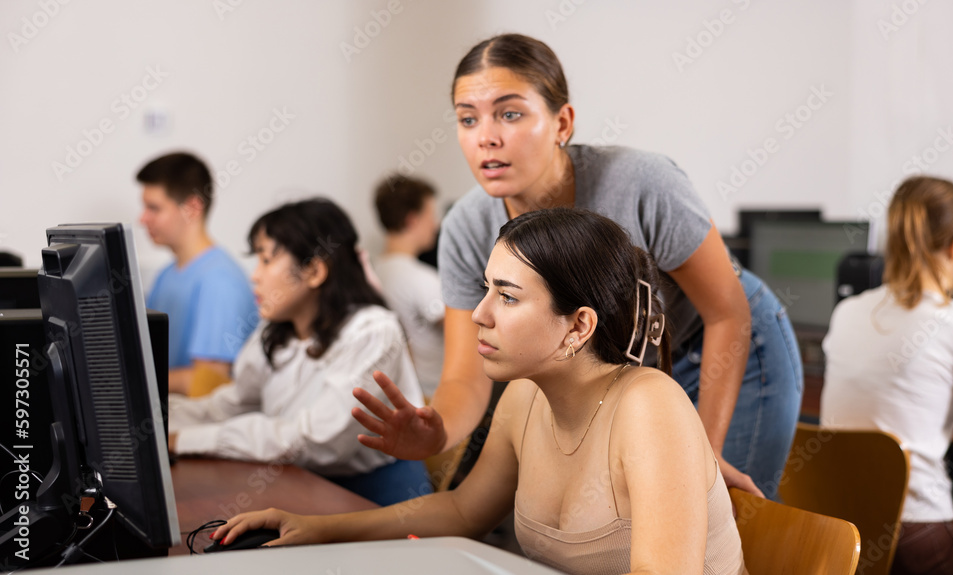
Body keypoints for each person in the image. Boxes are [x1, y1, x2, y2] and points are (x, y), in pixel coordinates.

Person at [353, 33, 802, 499]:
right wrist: (437, 431)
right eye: (468, 119)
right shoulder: (467, 227)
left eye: (509, 113)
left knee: (711, 509)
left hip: (729, 347)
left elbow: (727, 312)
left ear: (562, 121)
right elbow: (465, 376)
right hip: (630, 368)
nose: (486, 136)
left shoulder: (642, 184)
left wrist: (702, 450)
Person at [214, 209, 748, 575]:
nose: (479, 314)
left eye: (508, 297)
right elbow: (464, 512)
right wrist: (319, 529)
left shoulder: (649, 405)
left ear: (578, 327)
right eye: (486, 288)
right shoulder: (524, 397)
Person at [168, 198, 430, 506]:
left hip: (372, 495)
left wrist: (188, 440)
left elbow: (316, 441)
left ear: (314, 270)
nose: (255, 275)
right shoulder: (277, 329)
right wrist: (159, 422)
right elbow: (233, 405)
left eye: (266, 260)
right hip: (298, 482)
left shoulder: (373, 331)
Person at [821, 176, 953, 575]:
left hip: (847, 535)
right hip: (919, 544)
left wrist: (941, 403)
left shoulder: (848, 311)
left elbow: (888, 392)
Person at [137, 152, 258, 396]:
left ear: (192, 208)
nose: (142, 219)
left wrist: (131, 382)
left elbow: (210, 384)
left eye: (154, 208)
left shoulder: (221, 282)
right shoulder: (166, 275)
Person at [372, 174, 446, 397]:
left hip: (397, 395)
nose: (435, 225)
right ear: (412, 220)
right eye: (430, 216)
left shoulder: (374, 271)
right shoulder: (422, 279)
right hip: (432, 396)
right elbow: (470, 334)